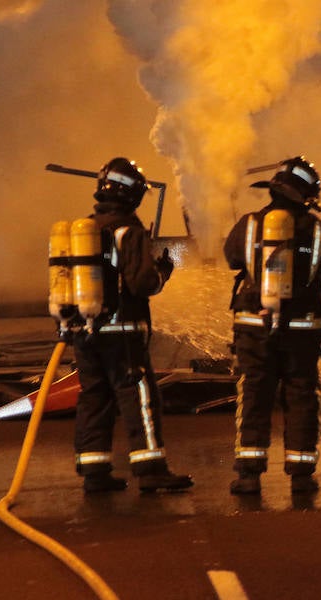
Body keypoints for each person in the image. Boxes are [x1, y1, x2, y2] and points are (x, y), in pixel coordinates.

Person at [224, 156, 321, 495]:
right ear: (307, 196)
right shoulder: (320, 231)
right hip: (302, 330)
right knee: (301, 394)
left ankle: (249, 473)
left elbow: (232, 257)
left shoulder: (247, 225)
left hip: (254, 327)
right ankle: (302, 474)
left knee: (254, 395)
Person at [73, 157, 193, 494]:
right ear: (134, 195)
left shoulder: (85, 229)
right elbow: (143, 284)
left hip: (86, 332)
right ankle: (151, 469)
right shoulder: (130, 230)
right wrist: (163, 271)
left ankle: (94, 473)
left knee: (94, 397)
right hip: (123, 333)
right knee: (140, 396)